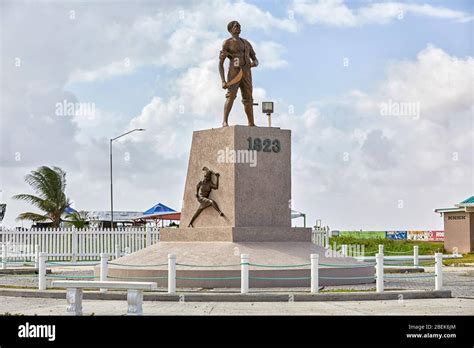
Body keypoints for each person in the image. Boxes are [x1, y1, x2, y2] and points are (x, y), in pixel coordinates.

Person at [218, 20, 259, 127]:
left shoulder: (246, 43)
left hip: (246, 74)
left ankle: (251, 123)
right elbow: (220, 64)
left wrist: (254, 63)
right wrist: (223, 80)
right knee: (230, 96)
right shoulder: (227, 43)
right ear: (231, 29)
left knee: (248, 98)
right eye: (236, 26)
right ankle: (225, 121)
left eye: (239, 26)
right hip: (234, 74)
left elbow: (255, 59)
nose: (238, 27)